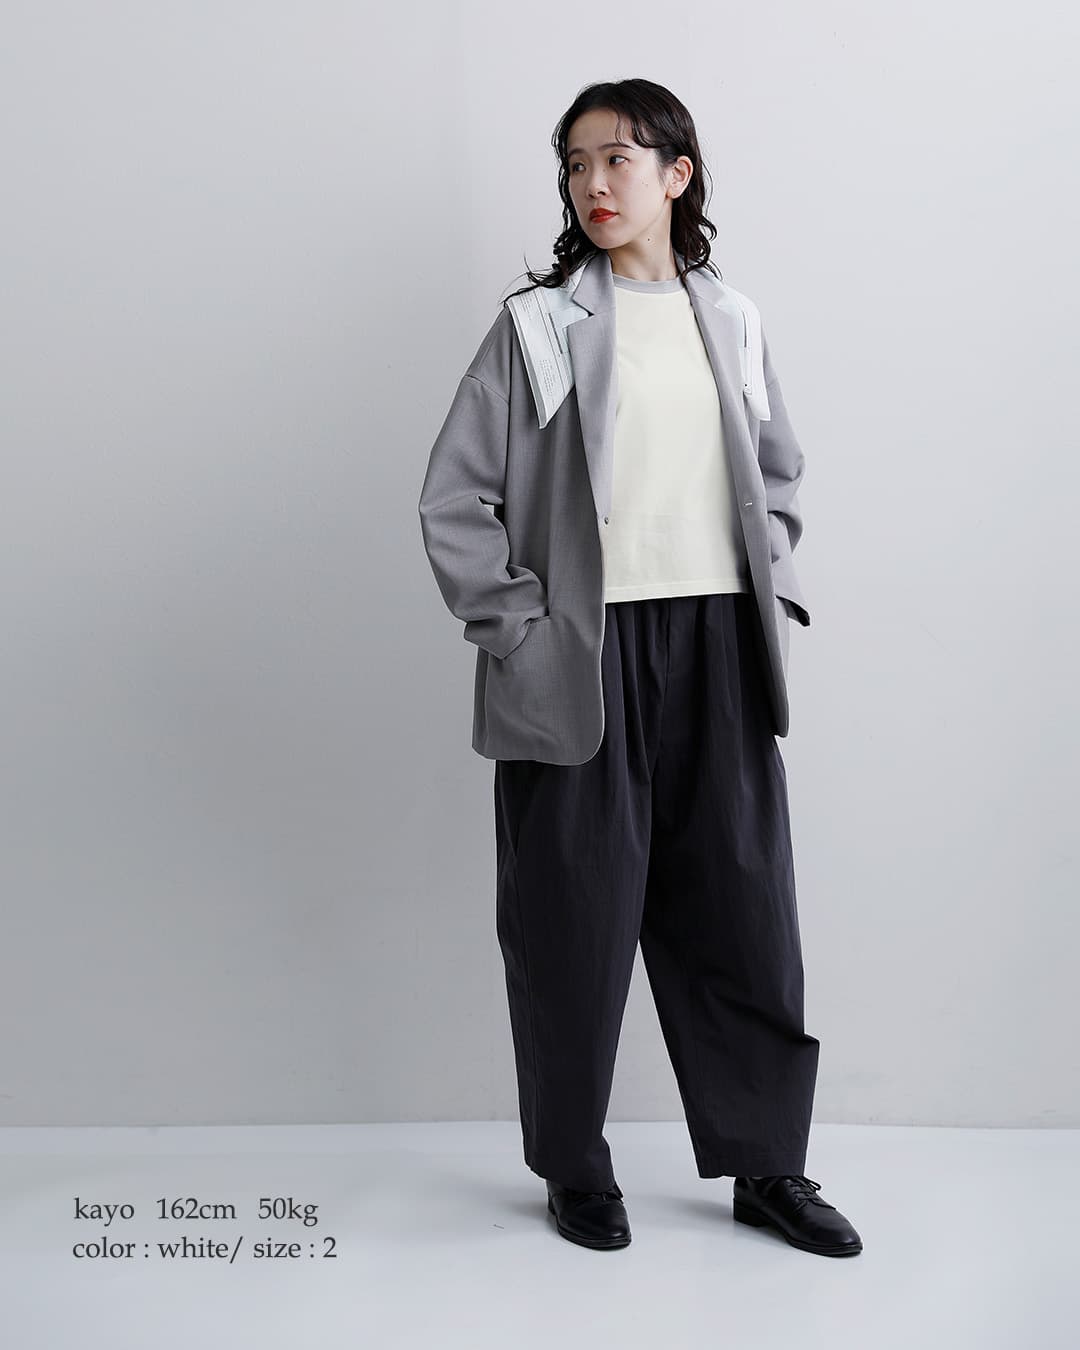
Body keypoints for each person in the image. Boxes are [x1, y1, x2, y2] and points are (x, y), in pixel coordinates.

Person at [418, 78, 862, 1258]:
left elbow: (776, 471)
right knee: (571, 919)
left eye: (618, 158)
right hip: (583, 652)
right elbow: (455, 495)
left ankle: (769, 1166)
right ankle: (574, 1166)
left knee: (744, 913)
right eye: (575, 164)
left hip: (717, 648)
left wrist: (772, 582)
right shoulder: (539, 326)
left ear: (677, 173)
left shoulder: (733, 319)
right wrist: (515, 627)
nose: (594, 183)